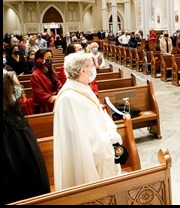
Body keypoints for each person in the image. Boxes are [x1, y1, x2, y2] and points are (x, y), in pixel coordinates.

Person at [53, 52, 124, 190]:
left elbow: (98, 115)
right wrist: (108, 141)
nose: (94, 69)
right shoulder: (68, 97)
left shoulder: (82, 87)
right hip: (86, 159)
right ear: (83, 70)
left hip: (101, 149)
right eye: (92, 66)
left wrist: (112, 135)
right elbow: (81, 136)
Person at [2, 71, 50, 204]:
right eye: (16, 85)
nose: (20, 88)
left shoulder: (15, 111)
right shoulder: (6, 121)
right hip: (17, 178)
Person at [30, 48, 62, 113]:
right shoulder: (35, 75)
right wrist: (52, 98)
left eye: (51, 57)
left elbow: (59, 84)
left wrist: (58, 95)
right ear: (40, 60)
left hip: (56, 100)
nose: (50, 60)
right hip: (43, 106)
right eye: (48, 58)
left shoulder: (53, 71)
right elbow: (39, 94)